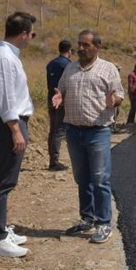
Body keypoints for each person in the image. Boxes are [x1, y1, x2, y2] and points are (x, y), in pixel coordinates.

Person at [51, 30, 124, 244]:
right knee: (82, 178)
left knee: (100, 178)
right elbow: (62, 90)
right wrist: (59, 96)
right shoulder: (70, 68)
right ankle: (88, 218)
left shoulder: (108, 69)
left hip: (98, 131)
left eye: (86, 45)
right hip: (73, 131)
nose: (81, 49)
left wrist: (115, 101)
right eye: (79, 44)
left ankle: (103, 223)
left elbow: (119, 94)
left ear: (97, 47)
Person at [0, 12, 36, 258]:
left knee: (6, 180)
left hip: (10, 122)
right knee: (3, 181)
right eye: (32, 34)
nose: (31, 38)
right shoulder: (5, 58)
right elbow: (6, 98)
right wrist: (16, 129)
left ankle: (2, 229)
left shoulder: (9, 56)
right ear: (24, 34)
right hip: (8, 125)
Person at [45, 40, 72, 171]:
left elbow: (48, 83)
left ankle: (52, 159)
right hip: (61, 100)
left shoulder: (51, 63)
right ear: (70, 51)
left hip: (51, 98)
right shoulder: (68, 65)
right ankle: (54, 162)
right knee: (60, 131)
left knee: (53, 130)